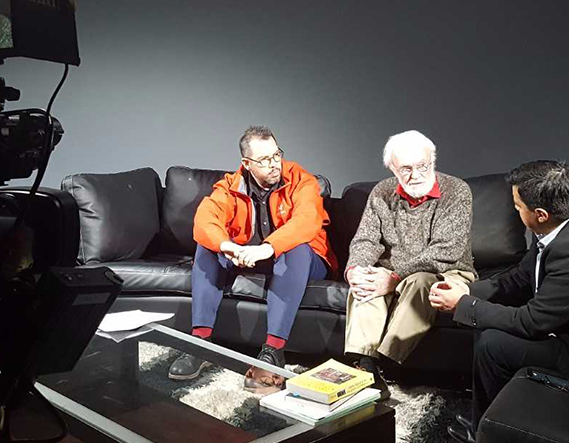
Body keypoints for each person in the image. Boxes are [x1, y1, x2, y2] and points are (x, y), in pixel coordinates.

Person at [430, 160, 569, 443]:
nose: (514, 210)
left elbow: (532, 323)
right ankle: (487, 418)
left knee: (493, 345)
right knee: (486, 328)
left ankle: (484, 432)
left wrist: (463, 305)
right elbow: (520, 278)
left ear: (540, 213)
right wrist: (468, 290)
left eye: (517, 207)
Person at [167, 126, 338, 393]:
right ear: (246, 163)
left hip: (304, 259)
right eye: (265, 160)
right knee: (206, 247)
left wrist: (268, 247)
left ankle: (273, 352)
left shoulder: (301, 180)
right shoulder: (231, 185)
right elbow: (205, 220)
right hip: (251, 255)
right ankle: (200, 343)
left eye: (276, 155)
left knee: (296, 248)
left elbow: (307, 221)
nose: (274, 164)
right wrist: (228, 247)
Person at [343, 130, 476, 400]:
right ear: (393, 168)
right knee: (366, 281)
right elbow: (366, 239)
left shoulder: (457, 191)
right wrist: (356, 270)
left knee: (421, 282)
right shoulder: (381, 192)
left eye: (423, 166)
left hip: (446, 270)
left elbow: (445, 251)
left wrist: (393, 275)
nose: (416, 174)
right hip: (391, 271)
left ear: (433, 161)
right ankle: (364, 364)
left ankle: (384, 361)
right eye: (406, 168)